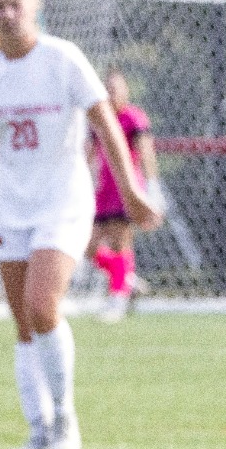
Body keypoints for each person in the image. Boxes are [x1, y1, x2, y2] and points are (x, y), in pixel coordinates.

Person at [0, 0, 162, 449]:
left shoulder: (63, 59)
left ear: (34, 8)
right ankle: (38, 429)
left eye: (14, 4)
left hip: (63, 203)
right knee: (23, 324)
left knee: (43, 307)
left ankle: (65, 420)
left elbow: (107, 127)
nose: (7, 13)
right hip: (11, 208)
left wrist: (132, 192)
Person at [86, 69, 160, 322]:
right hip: (102, 191)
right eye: (107, 89)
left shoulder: (134, 118)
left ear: (126, 91)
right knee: (87, 246)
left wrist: (152, 188)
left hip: (125, 191)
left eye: (116, 88)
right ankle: (125, 278)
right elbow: (90, 155)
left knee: (119, 243)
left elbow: (146, 154)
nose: (112, 93)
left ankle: (117, 300)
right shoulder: (99, 119)